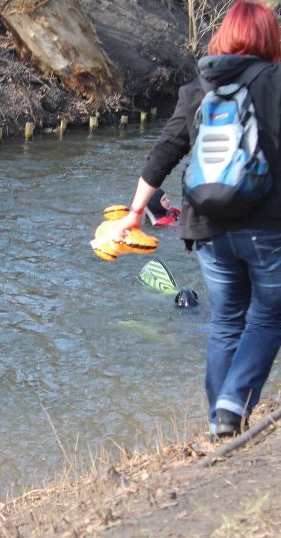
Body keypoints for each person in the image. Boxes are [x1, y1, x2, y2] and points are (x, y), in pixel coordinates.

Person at [111, 0, 281, 438]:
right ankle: (232, 405)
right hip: (267, 226)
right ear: (269, 39)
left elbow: (164, 153)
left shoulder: (199, 87)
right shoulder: (276, 83)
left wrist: (134, 215)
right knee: (267, 318)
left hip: (206, 226)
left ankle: (216, 419)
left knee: (227, 321)